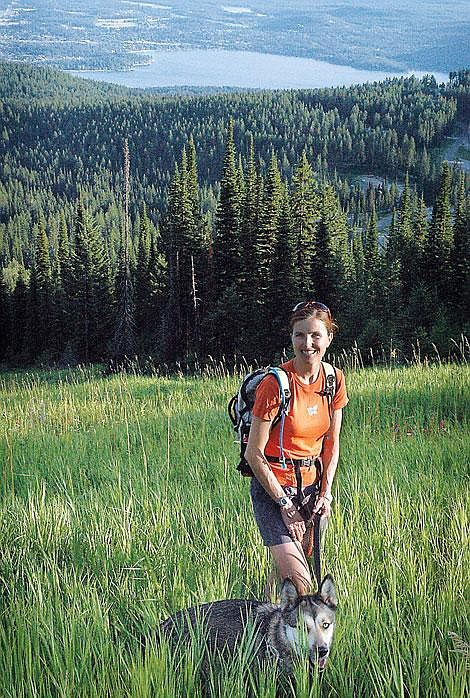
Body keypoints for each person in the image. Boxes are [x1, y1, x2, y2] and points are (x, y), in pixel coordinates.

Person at [245, 300, 348, 597]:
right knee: (301, 584)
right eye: (299, 335)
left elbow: (332, 443)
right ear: (291, 337)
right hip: (274, 491)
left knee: (286, 575)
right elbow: (254, 453)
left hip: (312, 492)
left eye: (316, 335)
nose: (307, 344)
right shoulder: (275, 384)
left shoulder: (333, 380)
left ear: (329, 338)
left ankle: (260, 623)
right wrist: (285, 506)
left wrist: (325, 493)